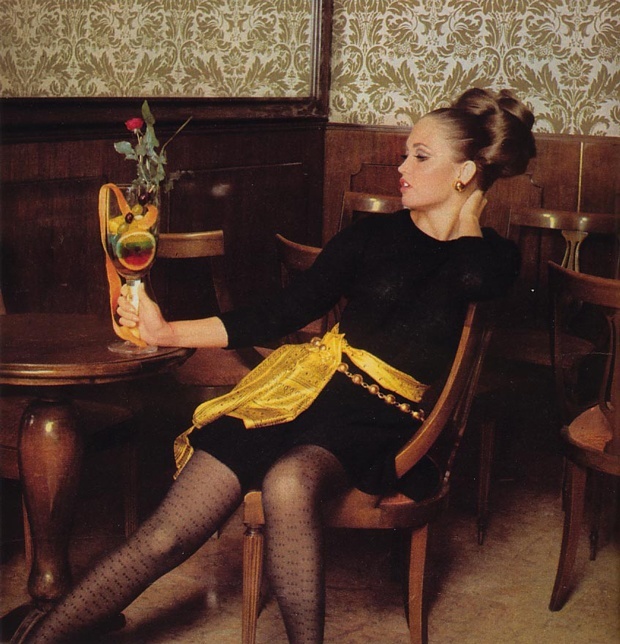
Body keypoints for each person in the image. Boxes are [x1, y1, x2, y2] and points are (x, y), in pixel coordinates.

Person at [13, 87, 535, 644]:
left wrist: (471, 210)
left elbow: (474, 277)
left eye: (420, 157)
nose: (401, 168)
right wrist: (166, 331)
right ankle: (38, 639)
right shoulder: (371, 234)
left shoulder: (490, 254)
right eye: (404, 152)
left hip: (380, 416)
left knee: (289, 481)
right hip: (302, 390)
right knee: (167, 532)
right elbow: (280, 312)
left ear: (466, 172)